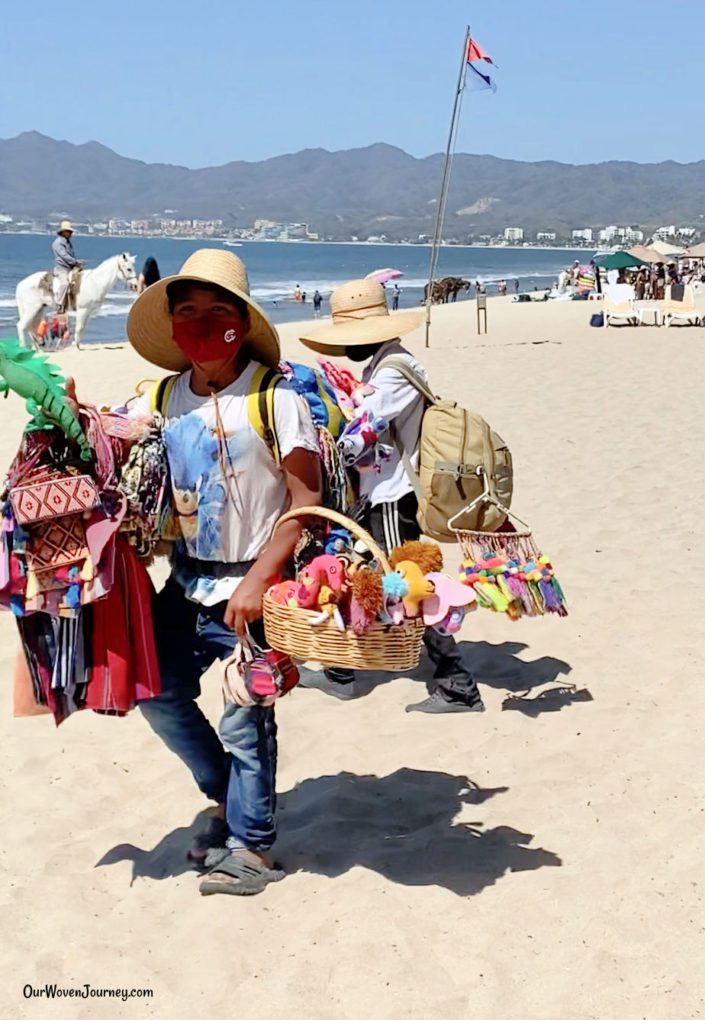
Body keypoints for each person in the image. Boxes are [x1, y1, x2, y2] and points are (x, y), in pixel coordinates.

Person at [126, 249, 322, 895]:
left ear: (242, 320)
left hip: (256, 588)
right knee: (154, 691)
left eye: (217, 311)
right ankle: (226, 799)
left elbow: (306, 504)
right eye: (187, 313)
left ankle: (254, 848)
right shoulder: (160, 397)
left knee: (246, 717)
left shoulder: (274, 398)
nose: (202, 324)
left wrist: (260, 578)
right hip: (185, 582)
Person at [298, 280, 485, 715]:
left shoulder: (394, 371)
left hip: (392, 497)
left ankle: (457, 686)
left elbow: (360, 433)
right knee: (353, 571)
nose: (349, 350)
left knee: (409, 584)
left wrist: (319, 444)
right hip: (377, 494)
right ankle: (339, 670)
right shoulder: (384, 365)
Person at [51, 220, 83, 312]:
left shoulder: (68, 242)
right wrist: (76, 262)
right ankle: (59, 304)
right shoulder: (57, 243)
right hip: (62, 268)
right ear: (63, 232)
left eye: (70, 232)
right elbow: (64, 256)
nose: (70, 233)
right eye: (68, 232)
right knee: (64, 284)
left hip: (70, 267)